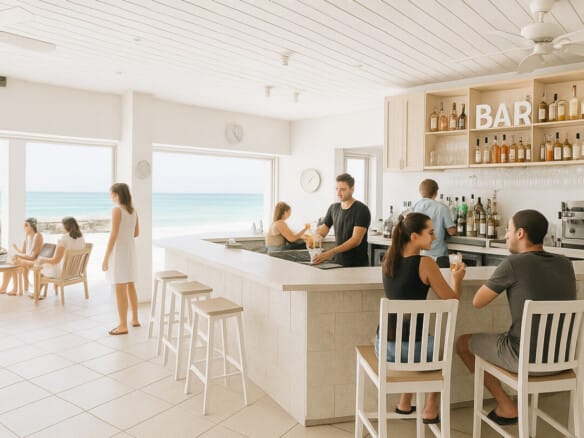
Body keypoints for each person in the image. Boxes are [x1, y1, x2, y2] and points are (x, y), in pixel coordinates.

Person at [456, 209, 576, 426]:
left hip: (524, 359)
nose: (505, 235)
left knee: (463, 343)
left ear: (521, 233)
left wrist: (457, 278)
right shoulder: (565, 263)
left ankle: (507, 406)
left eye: (508, 230)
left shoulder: (513, 264)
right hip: (563, 361)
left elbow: (477, 302)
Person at [380, 212, 465, 423]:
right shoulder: (425, 263)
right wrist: (457, 278)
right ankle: (430, 407)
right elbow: (452, 301)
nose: (435, 237)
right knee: (434, 351)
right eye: (431, 232)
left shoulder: (388, 259)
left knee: (417, 342)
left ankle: (404, 402)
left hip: (385, 346)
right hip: (414, 349)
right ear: (414, 237)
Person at [102, 182, 140, 336]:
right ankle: (135, 319)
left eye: (112, 193)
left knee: (120, 288)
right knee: (130, 284)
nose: (111, 196)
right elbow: (136, 233)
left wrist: (105, 257)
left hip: (119, 253)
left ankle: (123, 325)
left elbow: (113, 235)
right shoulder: (133, 211)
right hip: (130, 251)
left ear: (117, 194)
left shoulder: (117, 210)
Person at [312, 173, 371, 267]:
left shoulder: (361, 209)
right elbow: (323, 230)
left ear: (352, 189)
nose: (338, 193)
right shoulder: (333, 208)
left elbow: (355, 240)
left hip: (357, 265)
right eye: (337, 189)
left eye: (343, 189)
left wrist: (330, 253)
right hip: (338, 263)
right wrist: (316, 237)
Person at [34, 217, 85, 294]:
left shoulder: (64, 238)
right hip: (76, 271)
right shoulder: (81, 237)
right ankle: (41, 292)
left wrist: (41, 259)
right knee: (46, 265)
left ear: (66, 226)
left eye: (62, 226)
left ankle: (36, 293)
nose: (61, 228)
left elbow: (55, 261)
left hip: (64, 273)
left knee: (39, 266)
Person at [412, 179, 456, 268]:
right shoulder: (442, 208)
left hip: (419, 256)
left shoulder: (415, 206)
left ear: (420, 192)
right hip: (438, 258)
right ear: (436, 193)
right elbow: (452, 232)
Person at [0, 218, 44, 295]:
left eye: (26, 225)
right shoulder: (27, 236)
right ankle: (4, 288)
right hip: (28, 259)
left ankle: (13, 289)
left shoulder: (38, 236)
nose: (24, 227)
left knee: (14, 262)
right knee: (12, 261)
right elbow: (23, 253)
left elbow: (32, 257)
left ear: (32, 226)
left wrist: (17, 256)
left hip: (35, 261)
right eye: (24, 225)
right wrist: (17, 252)